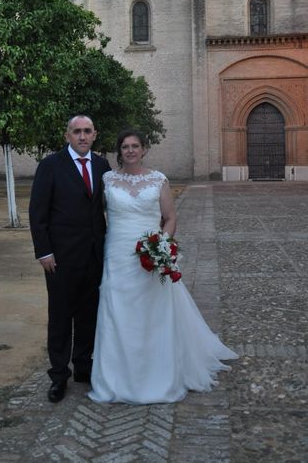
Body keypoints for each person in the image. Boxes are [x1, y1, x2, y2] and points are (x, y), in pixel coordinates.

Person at [88, 129, 237, 404]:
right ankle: (116, 376)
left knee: (153, 312)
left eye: (135, 146)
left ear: (144, 149)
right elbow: (95, 216)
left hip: (151, 252)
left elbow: (169, 218)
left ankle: (158, 371)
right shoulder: (107, 179)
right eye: (125, 147)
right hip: (118, 255)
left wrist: (161, 246)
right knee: (117, 312)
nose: (130, 150)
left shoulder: (158, 180)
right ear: (119, 151)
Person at [29, 115, 111, 403]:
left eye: (87, 131)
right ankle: (59, 376)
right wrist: (44, 251)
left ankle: (83, 367)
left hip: (93, 255)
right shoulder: (50, 166)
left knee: (88, 315)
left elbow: (105, 210)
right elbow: (37, 213)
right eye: (76, 131)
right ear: (67, 136)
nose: (82, 136)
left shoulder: (102, 166)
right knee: (61, 318)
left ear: (94, 134)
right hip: (60, 258)